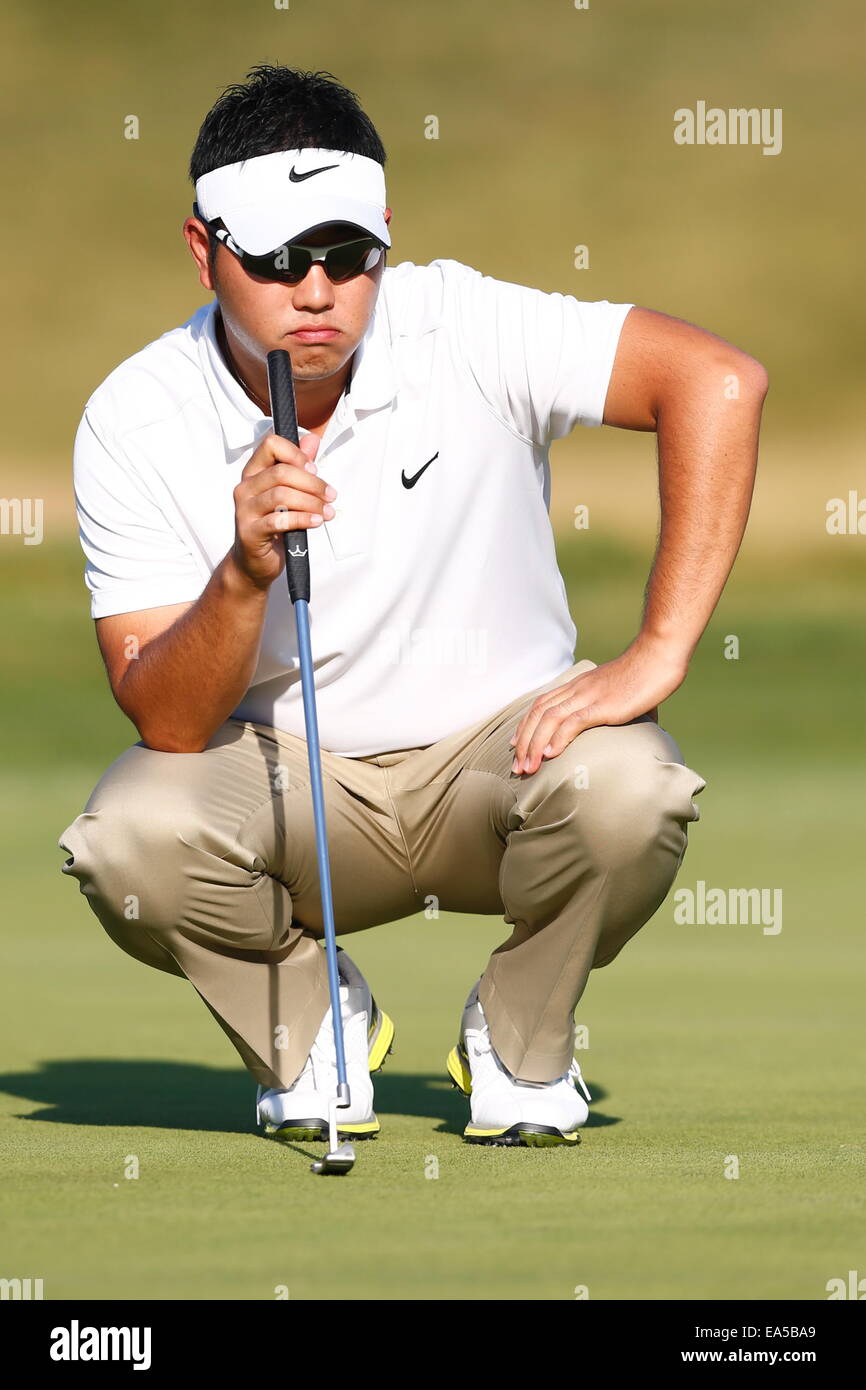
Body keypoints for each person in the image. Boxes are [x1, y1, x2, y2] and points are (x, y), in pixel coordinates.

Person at [59, 64, 767, 1149]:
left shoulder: (464, 324)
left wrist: (660, 650)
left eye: (347, 255)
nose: (316, 290)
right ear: (203, 252)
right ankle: (310, 1028)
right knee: (130, 835)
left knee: (633, 788)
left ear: (384, 236)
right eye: (276, 259)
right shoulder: (133, 414)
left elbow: (716, 382)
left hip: (504, 762)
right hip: (287, 786)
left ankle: (522, 1043)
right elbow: (164, 722)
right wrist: (242, 572)